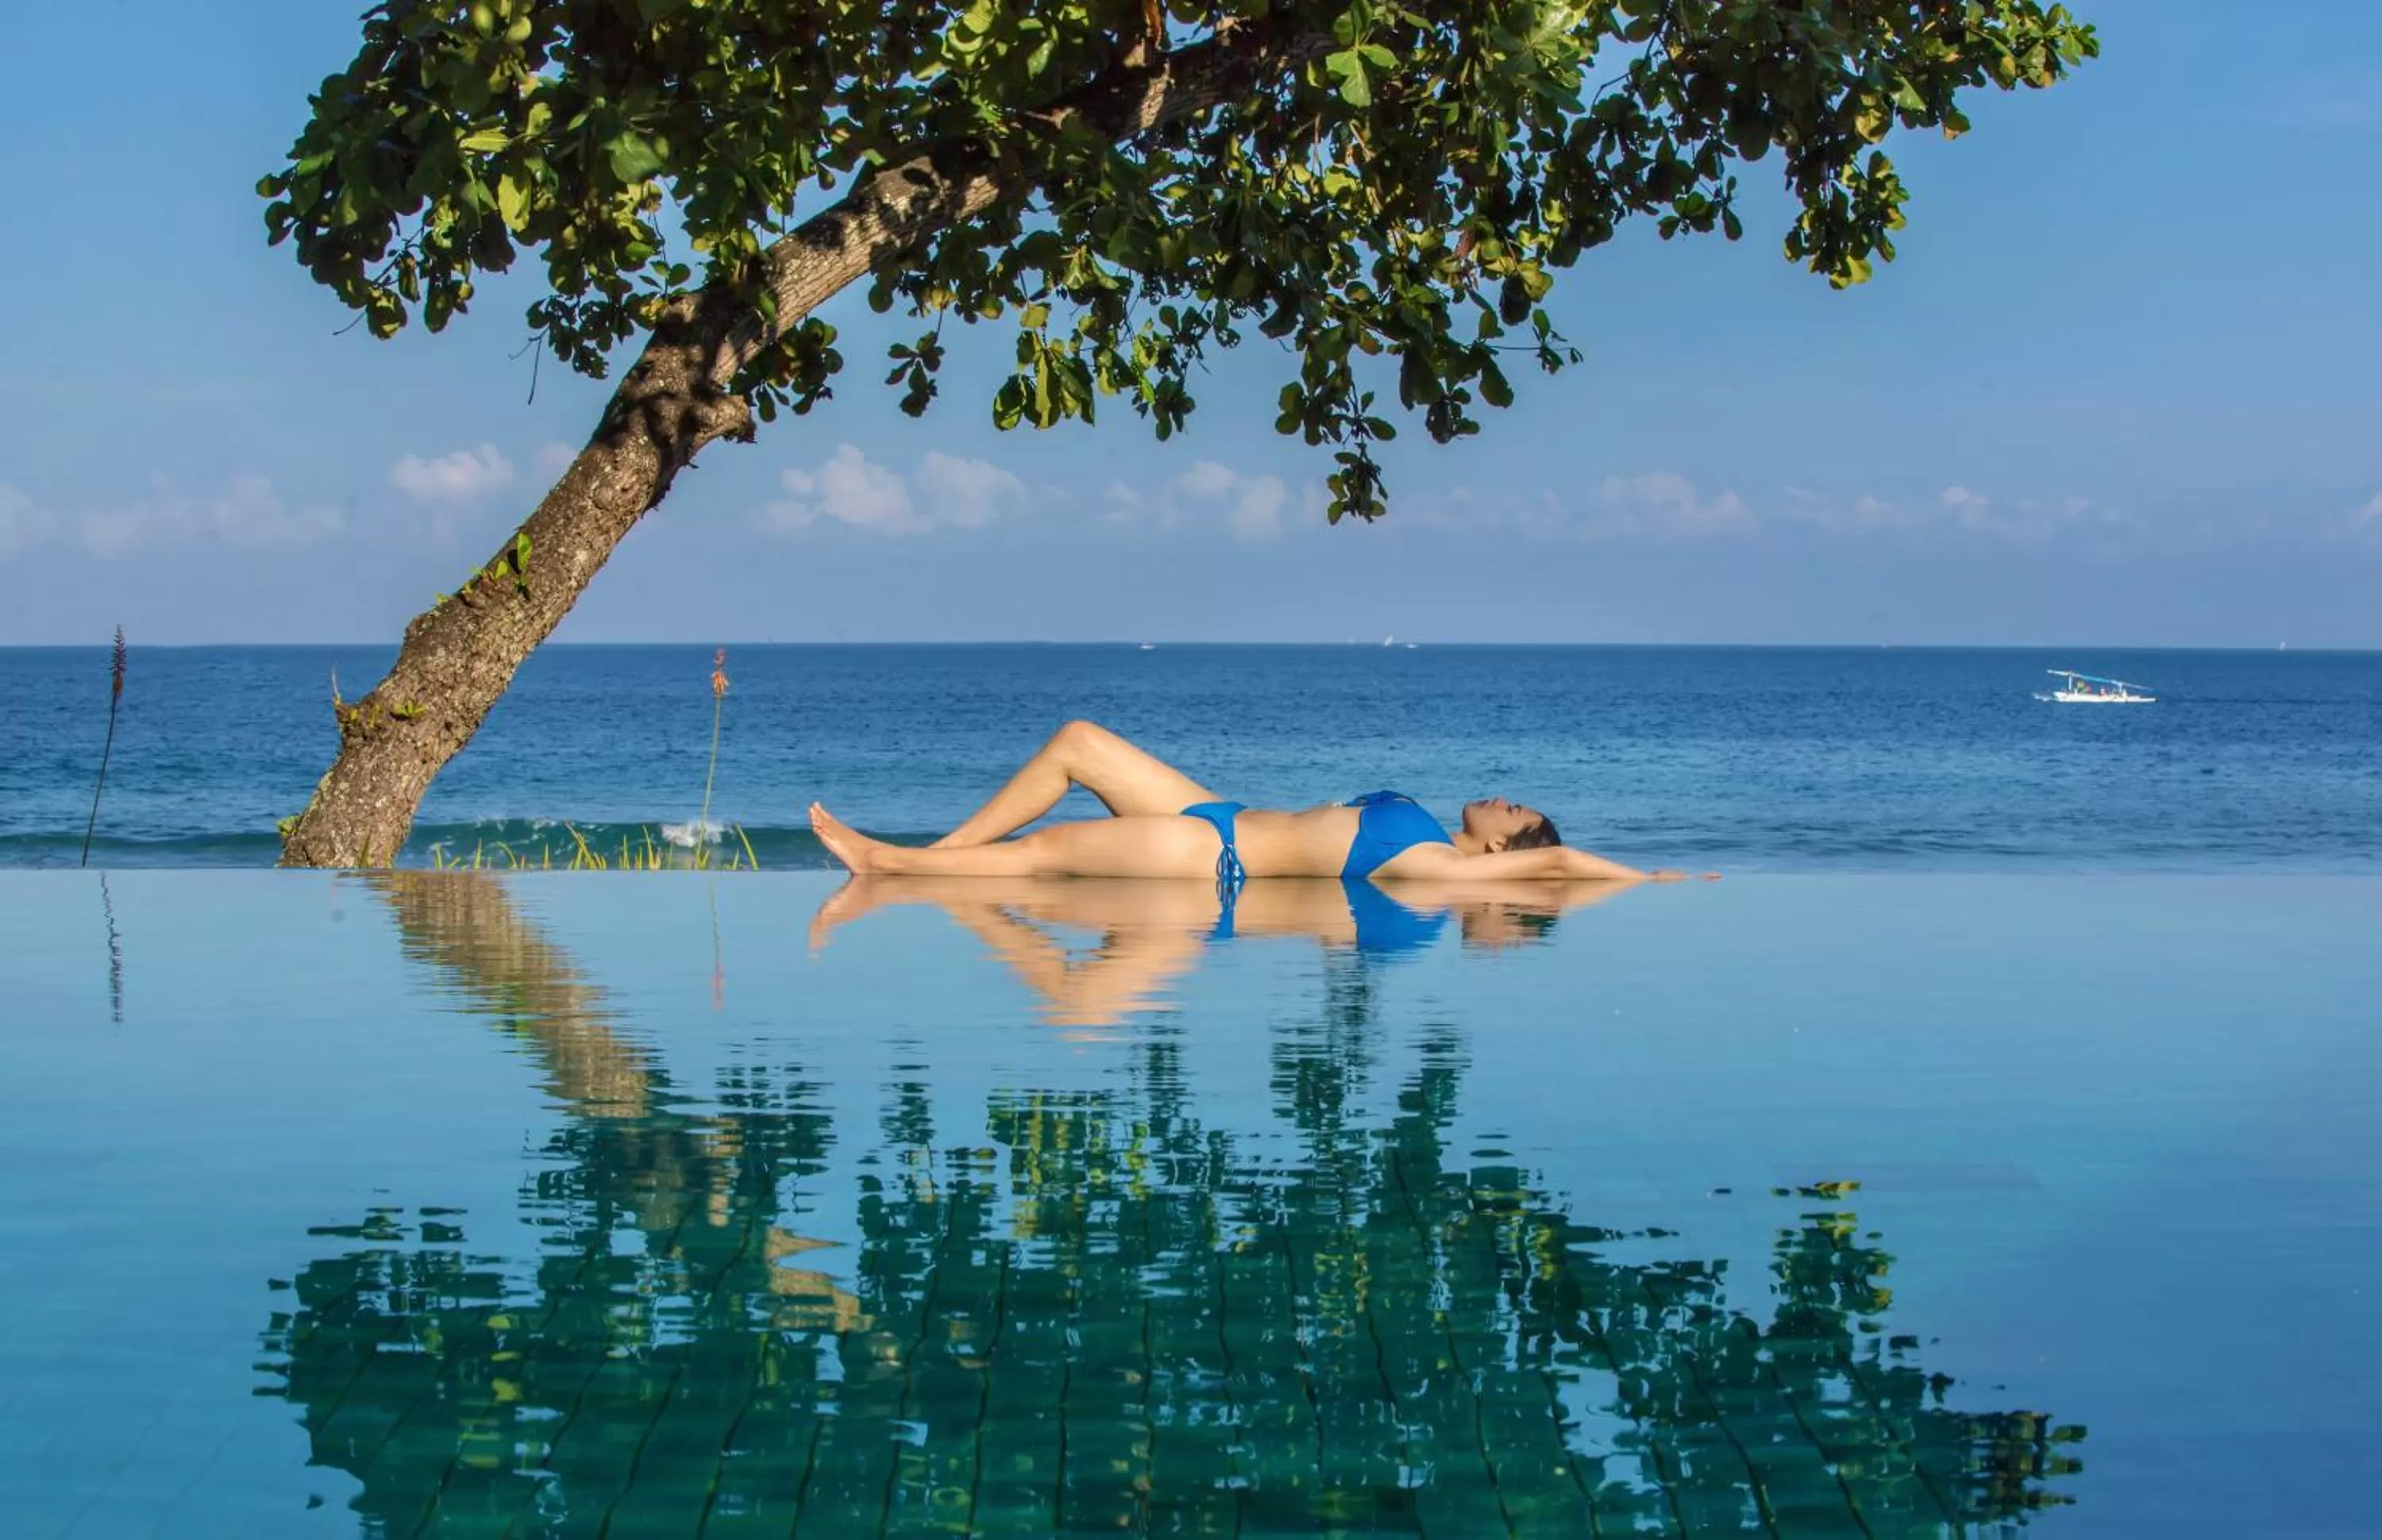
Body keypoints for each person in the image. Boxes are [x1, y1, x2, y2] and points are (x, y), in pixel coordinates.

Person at [807, 719, 1709, 884]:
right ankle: (930, 851)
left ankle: (888, 860)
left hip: (1214, 859)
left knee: (1048, 854)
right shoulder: (1429, 830)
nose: (1502, 799)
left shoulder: (1437, 872)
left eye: (1514, 810)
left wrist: (1647, 877)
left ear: (1505, 850)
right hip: (1221, 811)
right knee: (1079, 740)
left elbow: (1558, 865)